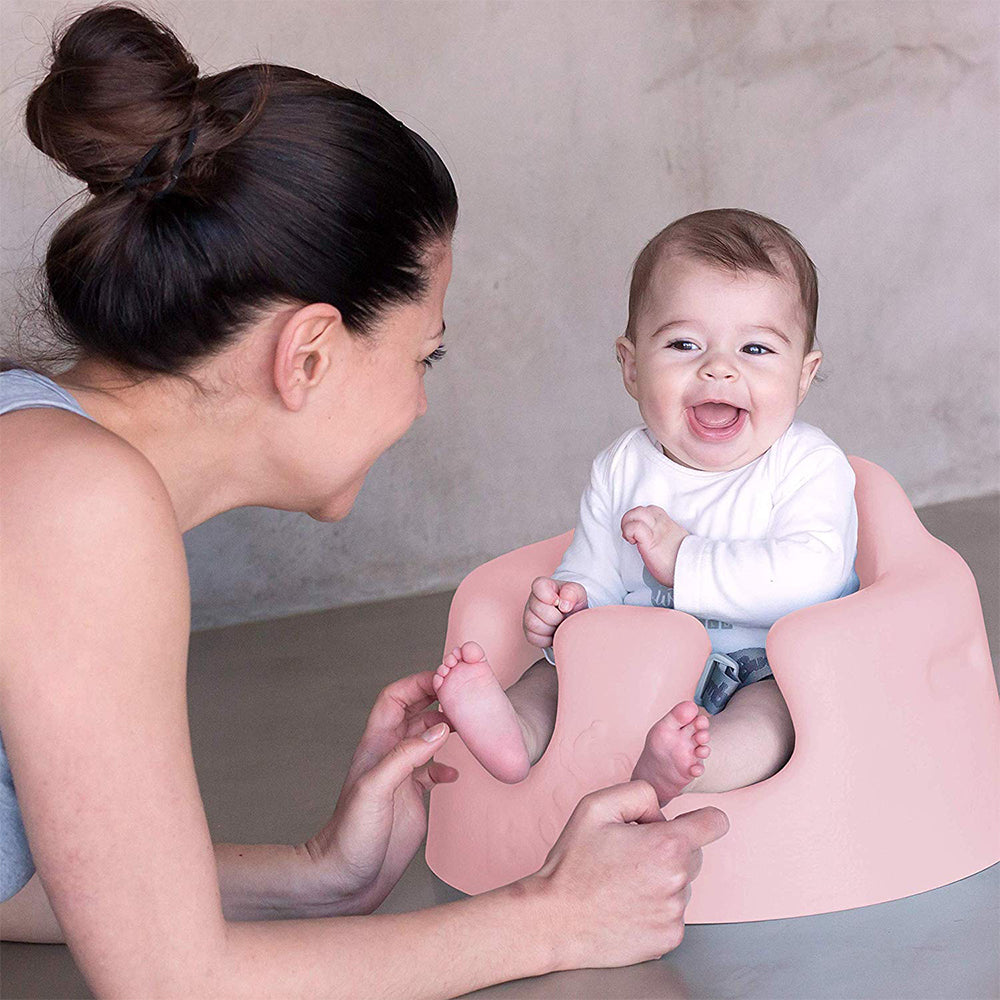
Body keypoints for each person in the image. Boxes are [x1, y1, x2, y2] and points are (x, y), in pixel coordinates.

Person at [0, 5, 730, 997]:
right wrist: (554, 920)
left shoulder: (41, 462)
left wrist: (314, 879)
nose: (422, 400)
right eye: (423, 354)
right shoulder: (78, 505)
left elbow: (18, 888)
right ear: (306, 354)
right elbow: (171, 983)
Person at [432, 209, 861, 804]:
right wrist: (569, 605)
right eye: (684, 344)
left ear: (804, 374)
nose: (719, 367)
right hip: (638, 658)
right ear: (632, 366)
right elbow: (595, 566)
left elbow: (813, 575)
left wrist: (685, 559)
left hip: (760, 660)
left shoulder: (809, 465)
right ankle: (514, 734)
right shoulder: (622, 466)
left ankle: (695, 770)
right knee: (554, 677)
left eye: (757, 348)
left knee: (774, 721)